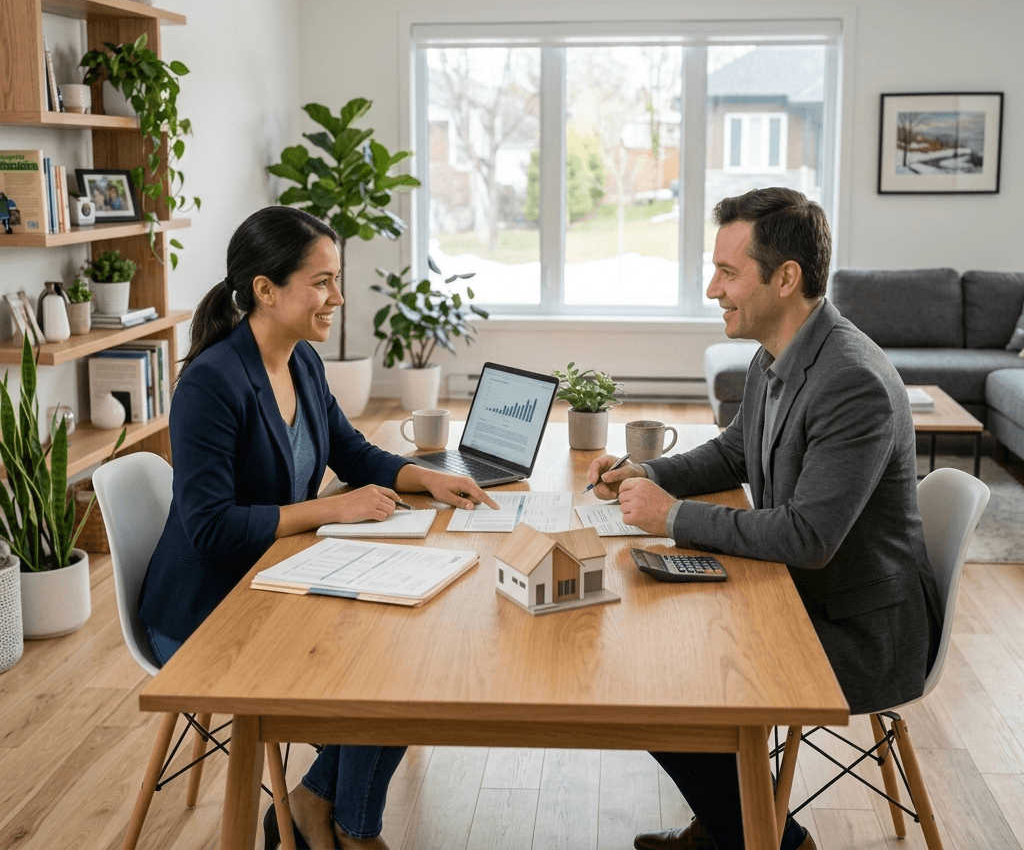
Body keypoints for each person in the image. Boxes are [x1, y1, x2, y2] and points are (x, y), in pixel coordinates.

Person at [586, 188, 942, 850]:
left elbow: (808, 537)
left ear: (786, 279)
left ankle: (773, 838)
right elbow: (733, 452)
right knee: (658, 653)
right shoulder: (775, 353)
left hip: (858, 632)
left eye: (728, 272)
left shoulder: (851, 380)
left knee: (661, 678)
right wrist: (650, 474)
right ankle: (731, 823)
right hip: (792, 598)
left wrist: (672, 516)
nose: (712, 288)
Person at [138, 205, 499, 850]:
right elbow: (210, 528)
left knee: (404, 648)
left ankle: (314, 804)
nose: (338, 297)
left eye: (338, 279)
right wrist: (331, 509)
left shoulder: (300, 362)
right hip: (204, 608)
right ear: (265, 290)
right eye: (323, 281)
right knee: (377, 671)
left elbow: (352, 453)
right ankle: (350, 830)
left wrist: (428, 478)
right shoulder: (210, 384)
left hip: (277, 578)